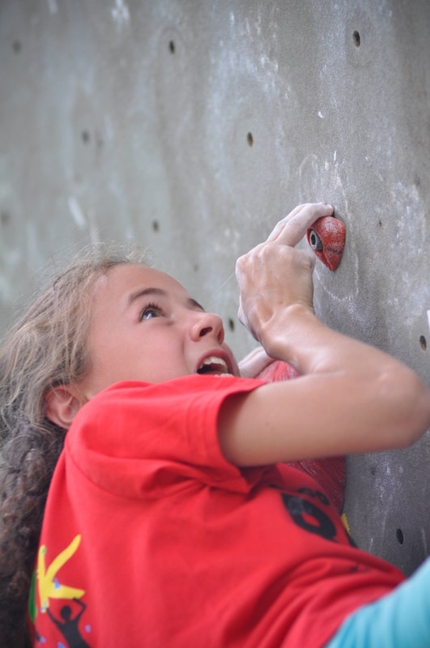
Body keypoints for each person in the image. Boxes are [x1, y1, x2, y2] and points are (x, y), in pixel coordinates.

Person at [0, 203, 429, 648]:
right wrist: (282, 318)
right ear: (70, 402)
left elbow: (306, 488)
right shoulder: (102, 426)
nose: (209, 322)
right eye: (151, 313)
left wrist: (249, 396)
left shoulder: (86, 560)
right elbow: (393, 399)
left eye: (197, 308)